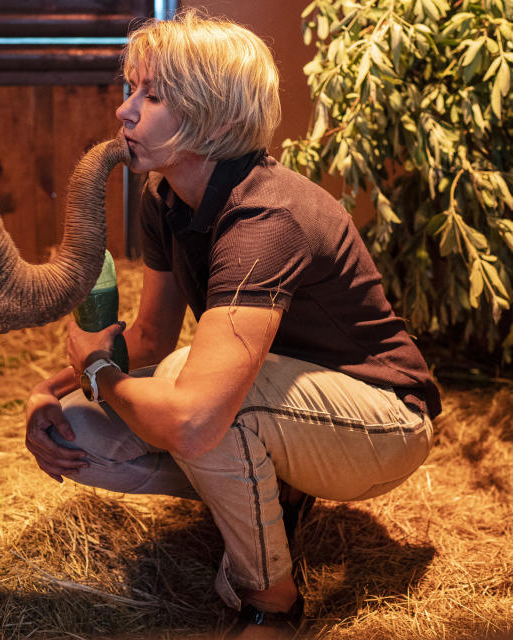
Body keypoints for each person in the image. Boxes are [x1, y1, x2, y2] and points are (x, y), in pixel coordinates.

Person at [24, 9, 440, 639]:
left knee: (197, 395)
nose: (125, 111)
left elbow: (191, 415)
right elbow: (149, 338)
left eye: (154, 95)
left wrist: (99, 369)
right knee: (83, 434)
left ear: (214, 119)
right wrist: (49, 391)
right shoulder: (167, 200)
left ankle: (272, 604)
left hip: (383, 420)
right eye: (131, 89)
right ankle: (278, 497)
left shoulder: (268, 217)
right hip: (289, 408)